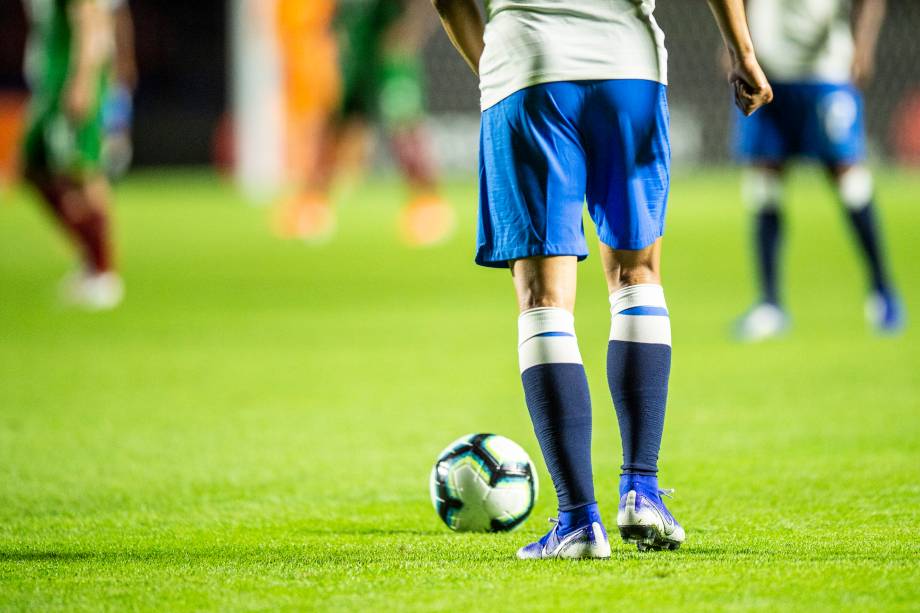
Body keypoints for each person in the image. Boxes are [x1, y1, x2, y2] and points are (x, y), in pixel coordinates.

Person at [432, 0, 772, 559]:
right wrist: (743, 50)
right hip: (628, 67)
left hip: (530, 63)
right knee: (637, 275)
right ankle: (642, 490)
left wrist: (499, 68)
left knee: (544, 299)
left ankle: (578, 523)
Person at [733, 0, 903, 341]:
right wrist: (737, 45)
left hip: (825, 72)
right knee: (763, 183)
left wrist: (863, 46)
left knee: (848, 179)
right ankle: (770, 304)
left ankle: (882, 292)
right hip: (767, 71)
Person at [277, 0, 455, 247]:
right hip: (356, 54)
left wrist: (408, 31)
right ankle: (312, 204)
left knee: (404, 127)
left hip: (389, 55)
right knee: (336, 125)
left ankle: (427, 207)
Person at [21, 0, 122, 309]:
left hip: (71, 82)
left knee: (81, 172)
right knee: (34, 169)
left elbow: (92, 19)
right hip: (50, 84)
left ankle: (104, 274)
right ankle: (91, 261)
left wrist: (84, 80)